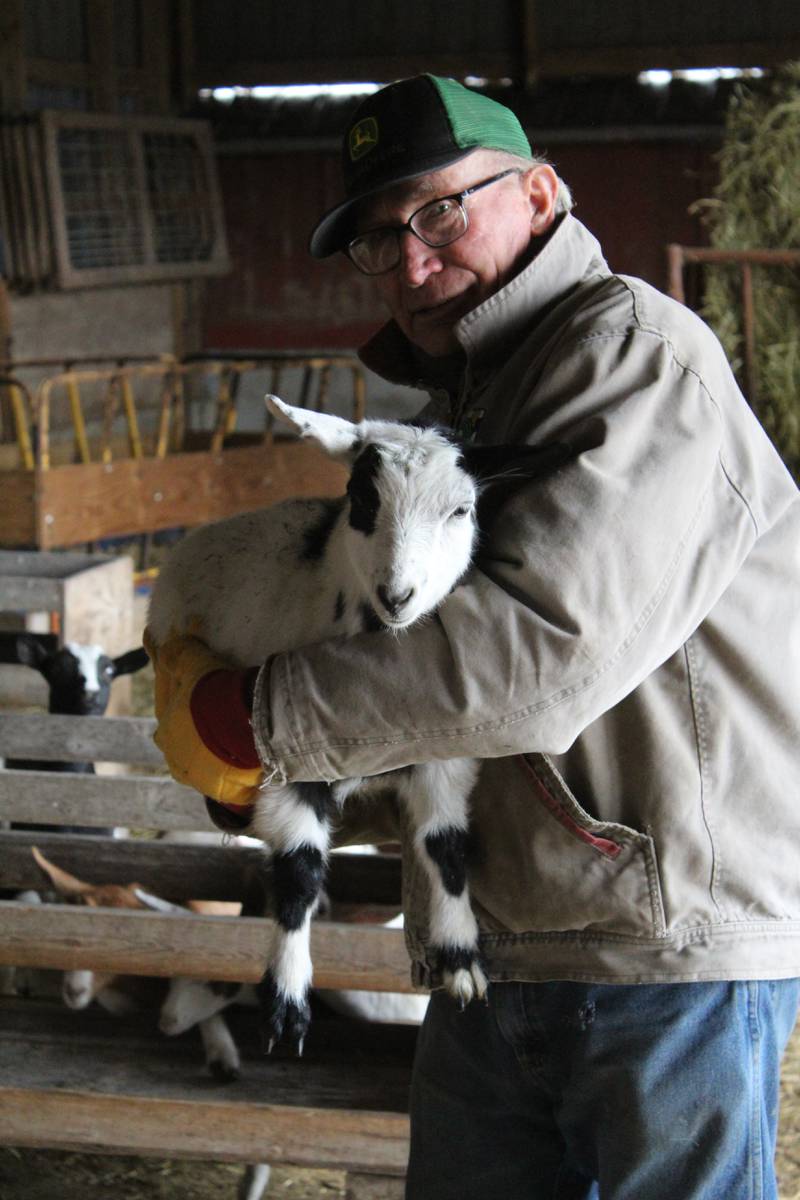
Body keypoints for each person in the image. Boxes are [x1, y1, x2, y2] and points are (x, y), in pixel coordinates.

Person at [150, 75, 800, 1199]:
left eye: (437, 212)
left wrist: (260, 721)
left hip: (658, 950)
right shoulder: (463, 414)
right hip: (492, 945)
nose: (406, 261)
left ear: (541, 194)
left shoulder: (631, 357)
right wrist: (295, 789)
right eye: (373, 239)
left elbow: (538, 650)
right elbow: (443, 710)